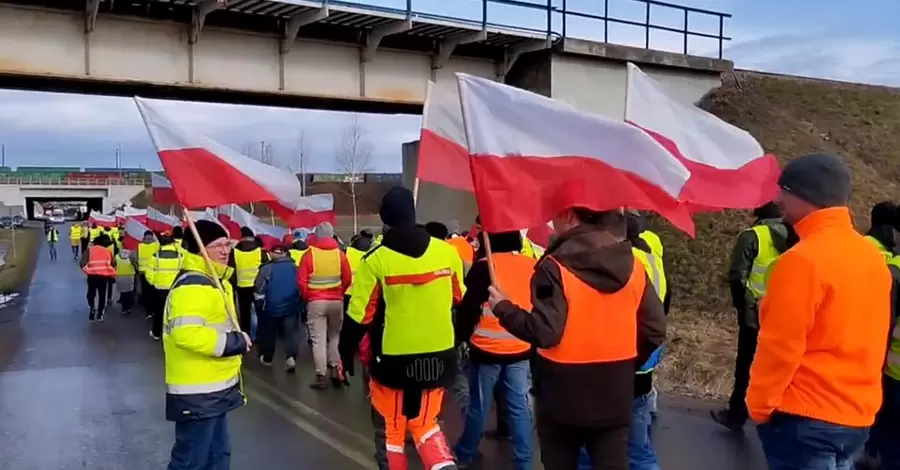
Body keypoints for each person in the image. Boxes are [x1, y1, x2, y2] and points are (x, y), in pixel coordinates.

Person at [487, 207, 666, 470]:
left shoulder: (554, 266)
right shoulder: (635, 266)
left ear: (570, 216)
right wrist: (627, 365)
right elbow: (654, 330)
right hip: (615, 392)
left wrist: (503, 308)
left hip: (561, 394)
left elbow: (545, 332)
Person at [747, 153, 891, 470]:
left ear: (805, 195)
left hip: (806, 416)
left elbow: (781, 345)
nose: (778, 198)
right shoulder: (870, 256)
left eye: (783, 190)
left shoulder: (802, 260)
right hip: (856, 415)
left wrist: (759, 406)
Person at [338, 186, 463, 470]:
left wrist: (344, 355)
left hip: (392, 362)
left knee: (392, 432)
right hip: (440, 356)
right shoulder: (447, 253)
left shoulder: (375, 260)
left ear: (385, 218)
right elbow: (460, 299)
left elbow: (358, 317)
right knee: (426, 426)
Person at [164, 220, 249, 470]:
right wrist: (235, 342)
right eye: (218, 246)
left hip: (213, 389)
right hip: (198, 392)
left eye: (227, 244)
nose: (225, 251)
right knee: (191, 461)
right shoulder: (194, 285)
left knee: (217, 457)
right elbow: (186, 333)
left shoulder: (214, 281)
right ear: (200, 249)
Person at [454, 229, 535, 470]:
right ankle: (524, 461)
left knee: (479, 406)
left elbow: (469, 308)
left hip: (486, 348)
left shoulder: (484, 267)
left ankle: (465, 453)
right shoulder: (532, 266)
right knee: (518, 406)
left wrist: (462, 337)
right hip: (521, 345)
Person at [710, 201, 792, 432]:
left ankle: (737, 414)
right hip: (784, 315)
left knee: (746, 366)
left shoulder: (753, 236)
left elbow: (737, 276)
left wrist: (743, 307)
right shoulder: (797, 235)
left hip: (755, 315)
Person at [299, 222, 352, 389]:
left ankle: (321, 376)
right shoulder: (340, 254)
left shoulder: (309, 255)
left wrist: (310, 296)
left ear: (316, 235)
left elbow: (301, 282)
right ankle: (336, 369)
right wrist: (339, 293)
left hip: (316, 302)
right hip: (336, 301)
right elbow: (347, 278)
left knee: (318, 339)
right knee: (335, 336)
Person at [253, 244, 301, 373]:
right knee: (291, 334)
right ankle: (290, 357)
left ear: (274, 254)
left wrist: (259, 304)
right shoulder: (295, 268)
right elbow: (301, 287)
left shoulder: (267, 269)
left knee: (268, 334)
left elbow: (259, 288)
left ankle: (268, 358)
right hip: (291, 307)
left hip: (271, 308)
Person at [230, 226, 267, 334]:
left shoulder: (235, 252)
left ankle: (246, 334)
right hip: (258, 286)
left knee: (244, 313)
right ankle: (261, 334)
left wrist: (234, 285)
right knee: (259, 312)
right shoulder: (261, 252)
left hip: (241, 286)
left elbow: (232, 270)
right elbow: (266, 269)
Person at [147, 232, 183, 340]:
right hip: (175, 288)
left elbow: (149, 274)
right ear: (172, 243)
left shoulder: (155, 256)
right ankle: (173, 333)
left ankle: (156, 333)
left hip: (159, 288)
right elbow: (183, 272)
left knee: (159, 311)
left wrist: (154, 282)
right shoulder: (180, 256)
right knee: (174, 311)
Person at [80, 233, 117, 322]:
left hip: (92, 276)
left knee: (91, 293)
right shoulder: (108, 252)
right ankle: (100, 313)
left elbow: (82, 263)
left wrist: (87, 270)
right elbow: (113, 264)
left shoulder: (89, 250)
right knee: (102, 295)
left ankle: (92, 307)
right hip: (104, 277)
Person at [137, 230, 160, 317]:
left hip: (143, 272)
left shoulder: (140, 246)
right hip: (153, 272)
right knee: (153, 292)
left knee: (145, 293)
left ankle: (148, 312)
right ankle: (154, 309)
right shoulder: (156, 245)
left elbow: (135, 258)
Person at [115, 239, 137, 315]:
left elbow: (114, 265)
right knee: (130, 292)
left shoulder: (117, 256)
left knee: (123, 293)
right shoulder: (132, 255)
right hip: (130, 275)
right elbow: (135, 264)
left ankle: (124, 308)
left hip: (120, 276)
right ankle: (129, 308)